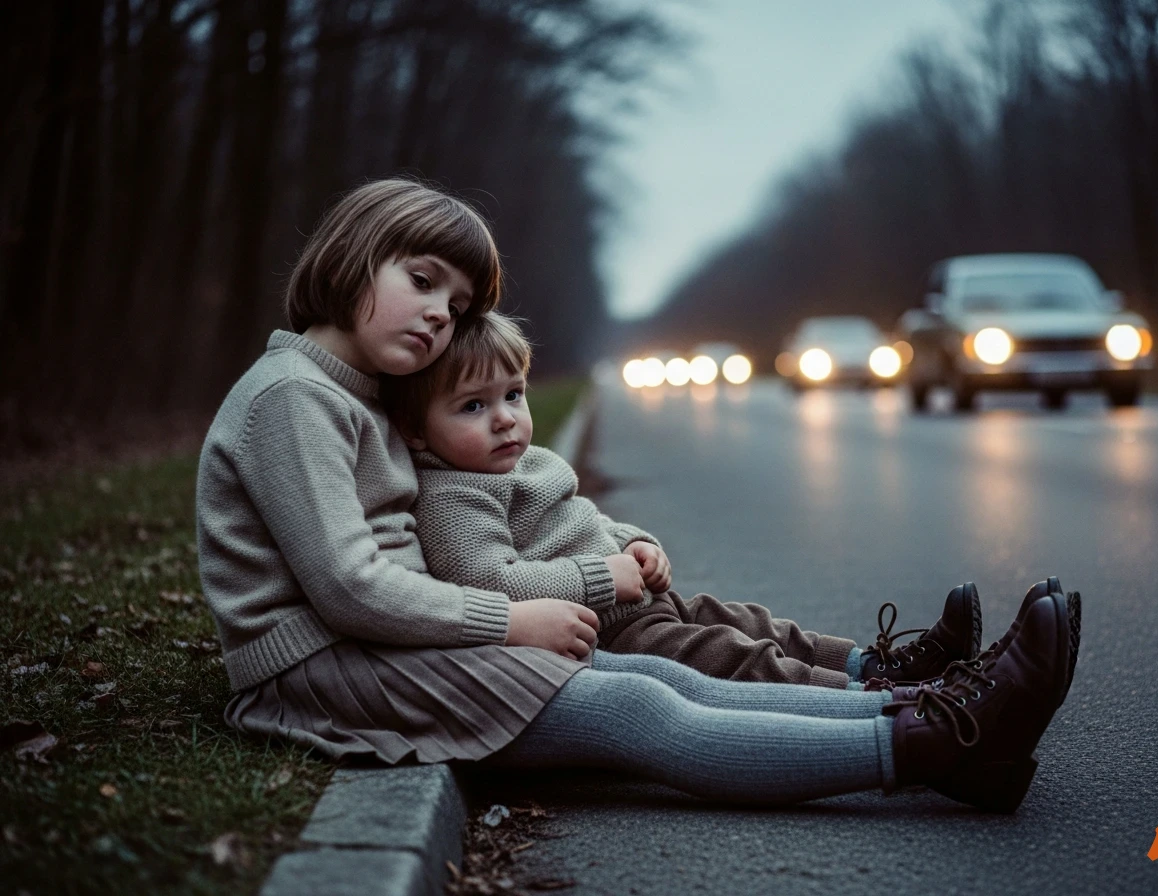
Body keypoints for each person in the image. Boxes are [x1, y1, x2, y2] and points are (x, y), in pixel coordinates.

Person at [197, 177, 1081, 813]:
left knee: (655, 668)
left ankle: (930, 712)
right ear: (353, 257)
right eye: (421, 280)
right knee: (634, 705)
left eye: (456, 300)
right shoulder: (291, 400)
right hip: (325, 669)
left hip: (387, 645)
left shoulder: (354, 393)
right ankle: (942, 745)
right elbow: (350, 586)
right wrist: (515, 621)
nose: (438, 315)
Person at [381, 310, 983, 691]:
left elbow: (583, 521)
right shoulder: (452, 497)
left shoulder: (523, 462)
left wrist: (635, 545)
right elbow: (491, 585)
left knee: (750, 622)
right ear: (414, 430)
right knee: (730, 656)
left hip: (639, 603)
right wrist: (600, 577)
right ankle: (870, 695)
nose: (505, 420)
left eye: (513, 395)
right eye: (473, 407)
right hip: (609, 634)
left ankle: (876, 661)